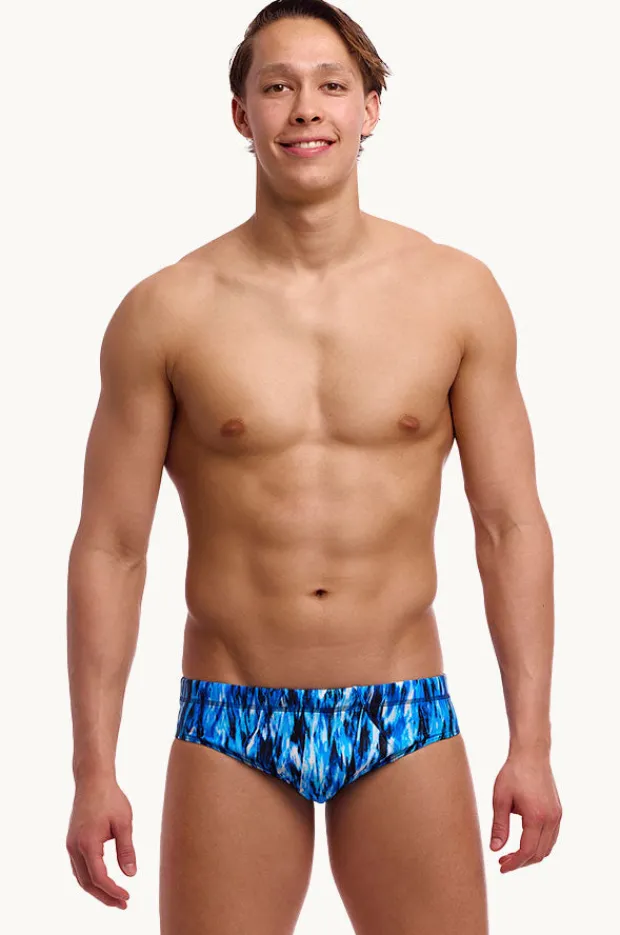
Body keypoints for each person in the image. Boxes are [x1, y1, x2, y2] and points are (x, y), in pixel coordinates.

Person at [65, 1, 562, 932]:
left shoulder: (456, 294)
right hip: (231, 715)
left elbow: (509, 524)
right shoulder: (166, 311)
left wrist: (530, 742)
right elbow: (111, 547)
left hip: (402, 710)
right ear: (240, 114)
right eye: (278, 86)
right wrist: (94, 769)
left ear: (369, 109)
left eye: (332, 85)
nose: (305, 108)